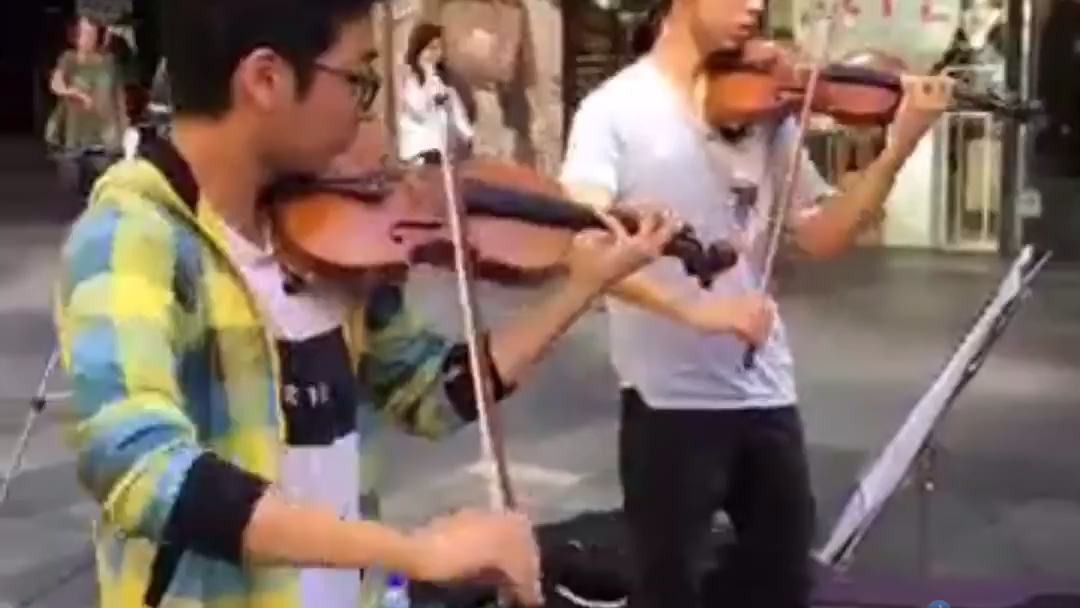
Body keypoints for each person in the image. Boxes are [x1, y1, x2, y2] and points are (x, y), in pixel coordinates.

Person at [52, 1, 679, 607]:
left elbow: (427, 393)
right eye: (358, 78)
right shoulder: (134, 238)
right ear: (266, 79)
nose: (367, 112)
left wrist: (580, 286)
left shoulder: (328, 242)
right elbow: (138, 464)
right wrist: (415, 551)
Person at [559, 0, 954, 606]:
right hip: (669, 404)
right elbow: (581, 249)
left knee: (780, 583)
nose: (756, 6)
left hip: (765, 391)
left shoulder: (770, 110)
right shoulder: (614, 111)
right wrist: (698, 312)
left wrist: (896, 150)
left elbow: (823, 235)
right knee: (670, 591)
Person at [398, 21, 475, 165]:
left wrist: (466, 133)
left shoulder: (443, 79)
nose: (437, 53)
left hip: (442, 150)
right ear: (419, 50)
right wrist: (427, 74)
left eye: (439, 48)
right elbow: (419, 108)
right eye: (432, 48)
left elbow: (454, 107)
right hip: (418, 151)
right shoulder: (410, 78)